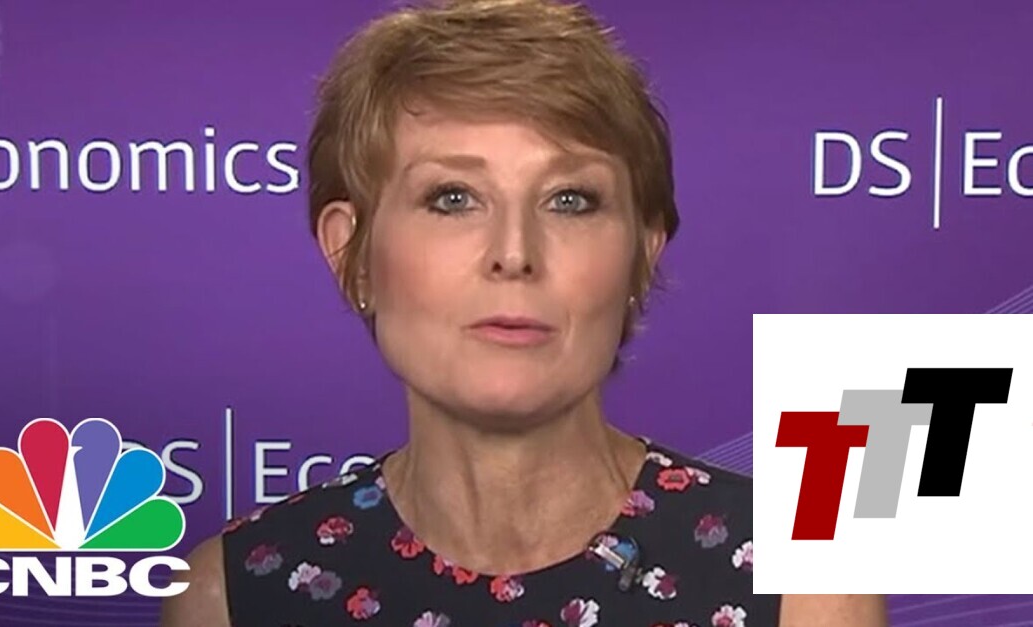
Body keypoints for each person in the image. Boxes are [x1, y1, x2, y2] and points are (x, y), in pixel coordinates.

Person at [161, 0, 888, 625]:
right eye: (452, 198)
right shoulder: (232, 594)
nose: (513, 253)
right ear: (351, 252)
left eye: (570, 200)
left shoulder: (805, 580)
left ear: (641, 254)